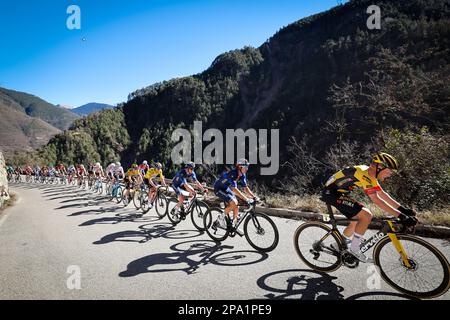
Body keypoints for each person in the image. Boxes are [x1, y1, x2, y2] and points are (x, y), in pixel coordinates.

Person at [320, 152, 418, 263]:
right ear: (379, 167)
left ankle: (337, 244)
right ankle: (355, 249)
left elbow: (382, 194)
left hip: (338, 193)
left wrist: (403, 210)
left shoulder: (370, 174)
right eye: (389, 171)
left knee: (357, 220)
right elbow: (377, 200)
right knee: (366, 215)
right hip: (331, 193)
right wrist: (402, 216)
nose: (389, 175)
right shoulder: (364, 174)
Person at [213, 159, 259, 228]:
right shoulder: (233, 174)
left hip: (225, 188)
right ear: (240, 167)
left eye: (247, 167)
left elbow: (245, 188)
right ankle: (220, 218)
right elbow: (234, 189)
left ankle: (233, 224)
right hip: (218, 188)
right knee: (234, 202)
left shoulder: (242, 174)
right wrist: (246, 199)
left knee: (236, 205)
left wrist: (253, 197)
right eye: (245, 167)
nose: (247, 169)